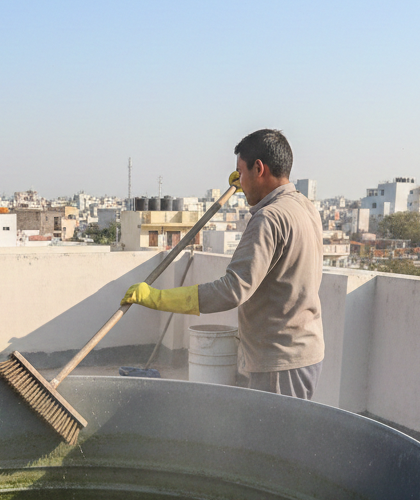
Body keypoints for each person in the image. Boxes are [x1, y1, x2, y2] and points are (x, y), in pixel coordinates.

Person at [122, 128, 323, 399]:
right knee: (285, 436)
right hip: (304, 351)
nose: (238, 181)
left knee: (273, 440)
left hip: (280, 358)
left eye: (241, 172)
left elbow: (232, 289)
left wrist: (158, 298)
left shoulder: (268, 219)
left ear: (259, 168)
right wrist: (245, 179)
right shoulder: (304, 206)